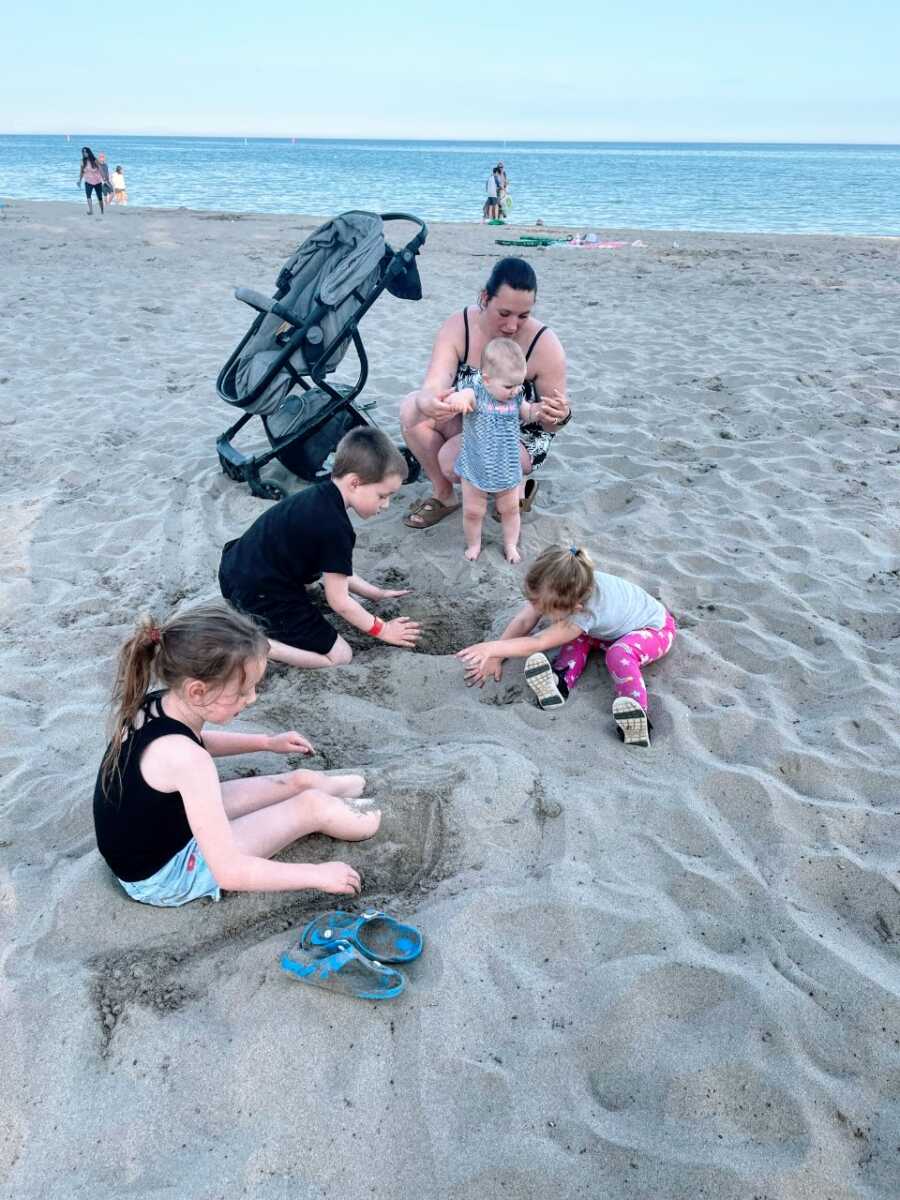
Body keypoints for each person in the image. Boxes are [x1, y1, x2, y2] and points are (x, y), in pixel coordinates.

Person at [93, 602, 377, 907]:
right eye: (242, 692)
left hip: (164, 827)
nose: (252, 699)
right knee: (311, 807)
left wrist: (266, 742)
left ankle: (360, 789)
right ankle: (382, 813)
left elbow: (195, 740)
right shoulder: (190, 762)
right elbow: (229, 871)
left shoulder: (155, 703)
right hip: (164, 875)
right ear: (197, 691)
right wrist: (318, 874)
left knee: (299, 781)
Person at [219, 427, 421, 669]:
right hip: (258, 592)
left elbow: (336, 567)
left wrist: (374, 593)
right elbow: (340, 603)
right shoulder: (335, 528)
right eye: (382, 495)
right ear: (355, 483)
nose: (386, 505)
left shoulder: (320, 496)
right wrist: (383, 629)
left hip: (234, 569)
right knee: (340, 657)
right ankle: (261, 644)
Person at [401, 257, 571, 530]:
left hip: (516, 432)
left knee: (451, 459)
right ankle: (444, 496)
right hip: (471, 418)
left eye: (523, 316)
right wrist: (429, 400)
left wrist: (560, 416)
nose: (513, 326)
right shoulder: (460, 326)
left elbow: (550, 423)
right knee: (412, 408)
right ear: (484, 298)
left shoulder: (544, 344)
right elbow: (434, 384)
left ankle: (515, 487)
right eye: (504, 314)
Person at [456, 545, 676, 747]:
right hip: (609, 629)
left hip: (654, 630)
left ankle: (637, 717)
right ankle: (559, 683)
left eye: (540, 606)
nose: (534, 608)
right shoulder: (564, 583)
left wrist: (491, 648)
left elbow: (537, 642)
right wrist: (496, 658)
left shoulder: (583, 615)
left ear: (575, 606)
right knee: (576, 636)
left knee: (617, 654)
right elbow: (524, 621)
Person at [446, 338, 541, 563]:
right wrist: (458, 399)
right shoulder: (476, 393)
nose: (515, 390)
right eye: (509, 386)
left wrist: (540, 411)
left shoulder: (516, 396)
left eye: (519, 384)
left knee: (510, 510)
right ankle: (474, 545)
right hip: (475, 466)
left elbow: (527, 412)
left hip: (507, 466)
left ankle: (510, 546)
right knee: (473, 511)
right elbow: (462, 395)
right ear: (487, 380)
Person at [77, 146, 105, 215]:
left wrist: (104, 179)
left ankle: (102, 210)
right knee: (88, 196)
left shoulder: (95, 160)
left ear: (89, 152)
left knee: (100, 197)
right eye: (83, 152)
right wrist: (79, 180)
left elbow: (101, 169)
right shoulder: (82, 161)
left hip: (97, 181)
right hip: (88, 181)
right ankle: (91, 211)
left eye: (85, 152)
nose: (84, 153)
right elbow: (81, 172)